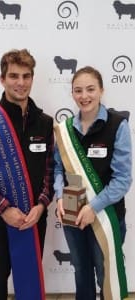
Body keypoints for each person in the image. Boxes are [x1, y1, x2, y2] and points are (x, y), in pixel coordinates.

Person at [0, 49, 54, 300]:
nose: (21, 83)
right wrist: (5, 209)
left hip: (34, 216)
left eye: (26, 76)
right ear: (2, 79)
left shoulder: (45, 122)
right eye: (14, 76)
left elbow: (50, 169)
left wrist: (41, 204)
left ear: (32, 79)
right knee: (0, 272)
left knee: (31, 273)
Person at [54, 66, 132, 300]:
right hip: (70, 210)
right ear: (72, 94)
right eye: (78, 90)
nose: (84, 96)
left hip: (106, 213)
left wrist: (93, 208)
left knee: (106, 276)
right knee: (81, 272)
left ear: (101, 90)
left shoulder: (118, 125)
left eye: (90, 89)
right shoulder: (65, 129)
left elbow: (122, 179)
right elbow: (58, 168)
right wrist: (59, 196)